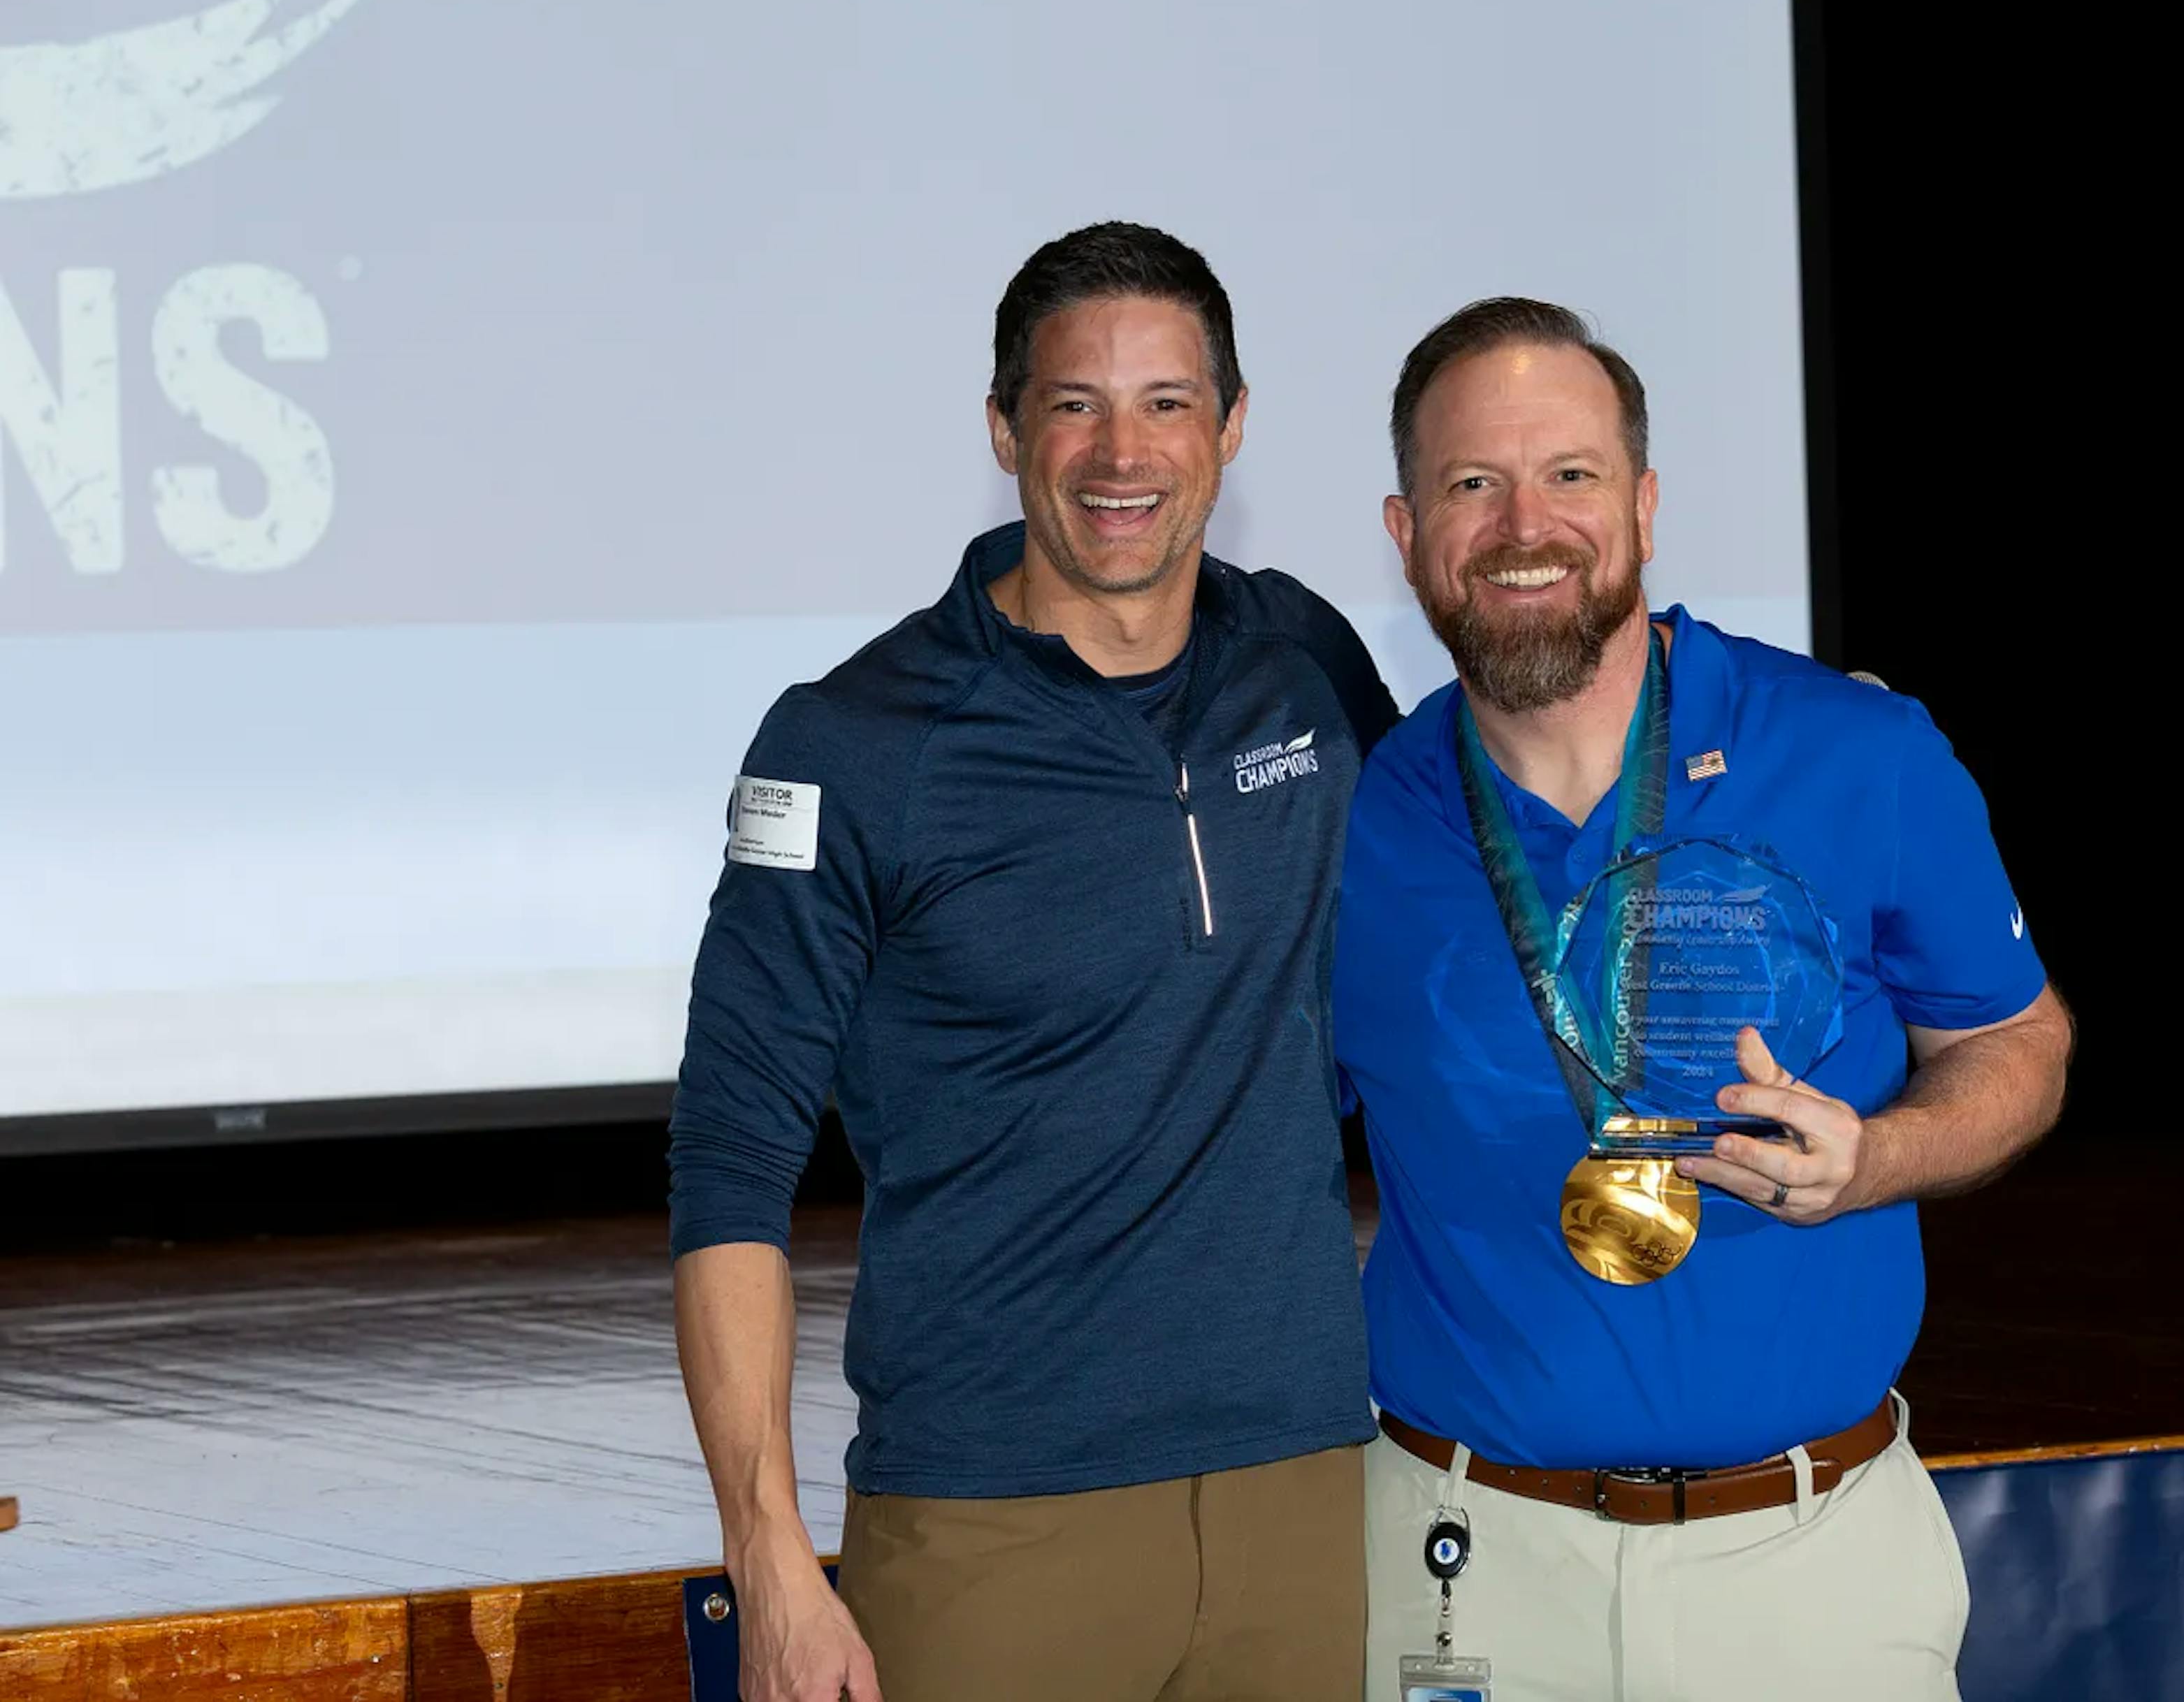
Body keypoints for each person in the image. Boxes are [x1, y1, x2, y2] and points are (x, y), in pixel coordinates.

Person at [667, 222, 1396, 1702]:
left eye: (1168, 402)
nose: (1120, 451)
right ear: (1006, 428)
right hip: (992, 1523)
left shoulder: (1304, 664)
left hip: (1311, 1498)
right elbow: (729, 1164)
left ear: (1232, 425)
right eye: (1075, 403)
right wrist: (770, 1557)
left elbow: (1481, 848)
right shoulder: (855, 739)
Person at [1334, 296, 2072, 1701]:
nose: (1522, 523)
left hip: (1815, 1571)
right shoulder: (1358, 819)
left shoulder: (1860, 749)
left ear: (1647, 503)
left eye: (1571, 475)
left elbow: (2015, 1038)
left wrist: (1884, 1158)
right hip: (1464, 1567)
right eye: (1470, 483)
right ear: (1405, 529)